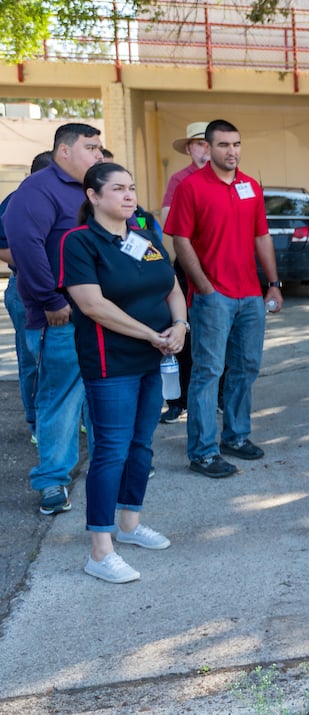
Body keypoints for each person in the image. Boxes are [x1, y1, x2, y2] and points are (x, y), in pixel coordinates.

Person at [59, 162, 186, 583]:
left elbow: (171, 286)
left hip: (155, 359)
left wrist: (180, 325)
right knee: (111, 449)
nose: (128, 196)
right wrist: (152, 333)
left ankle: (129, 525)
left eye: (131, 188)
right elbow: (93, 305)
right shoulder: (79, 243)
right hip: (111, 363)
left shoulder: (145, 237)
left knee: (141, 445)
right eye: (117, 189)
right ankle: (100, 548)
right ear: (93, 197)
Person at [163, 119, 283, 478]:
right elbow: (180, 240)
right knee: (208, 371)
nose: (232, 151)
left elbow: (262, 237)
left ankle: (236, 436)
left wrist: (273, 283)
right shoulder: (191, 187)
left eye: (237, 144)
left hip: (250, 295)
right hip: (213, 296)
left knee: (246, 367)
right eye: (223, 145)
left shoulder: (250, 187)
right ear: (208, 148)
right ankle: (202, 452)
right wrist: (203, 285)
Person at [4, 123, 104, 516]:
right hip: (61, 318)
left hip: (103, 315)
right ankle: (52, 482)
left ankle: (108, 468)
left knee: (102, 397)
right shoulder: (37, 190)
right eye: (91, 148)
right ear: (64, 151)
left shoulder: (92, 189)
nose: (98, 155)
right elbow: (26, 249)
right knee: (60, 401)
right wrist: (50, 299)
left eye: (100, 148)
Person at [0, 150, 54, 444]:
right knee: (32, 360)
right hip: (24, 289)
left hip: (64, 291)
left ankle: (67, 418)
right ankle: (36, 423)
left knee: (63, 358)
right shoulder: (16, 201)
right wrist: (34, 262)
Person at [159, 120, 211, 424]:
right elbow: (170, 222)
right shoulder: (180, 179)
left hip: (223, 267)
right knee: (184, 333)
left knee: (222, 334)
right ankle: (179, 401)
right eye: (199, 143)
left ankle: (216, 397)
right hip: (189, 264)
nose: (204, 149)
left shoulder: (228, 178)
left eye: (208, 142)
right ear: (189, 148)